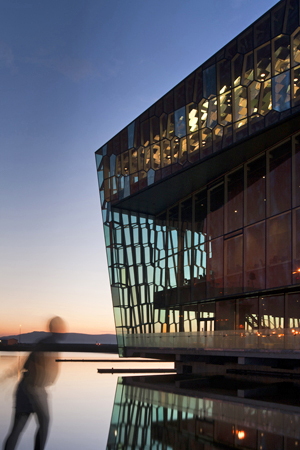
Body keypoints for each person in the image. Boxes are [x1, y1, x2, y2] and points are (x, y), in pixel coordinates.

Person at [3, 316, 66, 450]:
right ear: (56, 329)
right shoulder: (51, 343)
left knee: (17, 428)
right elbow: (40, 367)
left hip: (26, 388)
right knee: (44, 423)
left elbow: (27, 364)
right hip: (34, 389)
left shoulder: (43, 342)